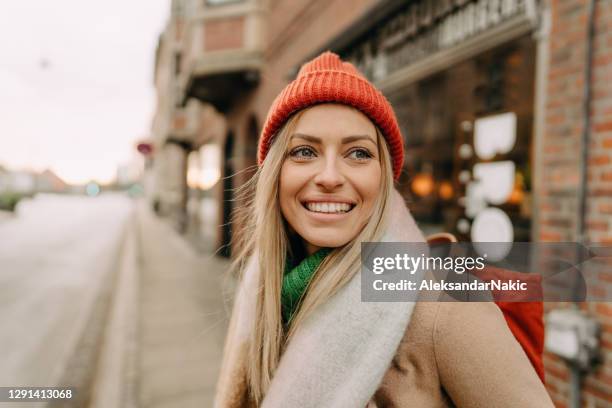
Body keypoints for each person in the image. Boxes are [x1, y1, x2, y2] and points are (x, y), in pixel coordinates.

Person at [214, 51, 553, 407]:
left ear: (383, 179)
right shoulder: (262, 283)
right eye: (304, 152)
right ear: (274, 175)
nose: (329, 177)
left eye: (358, 154)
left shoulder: (444, 302)